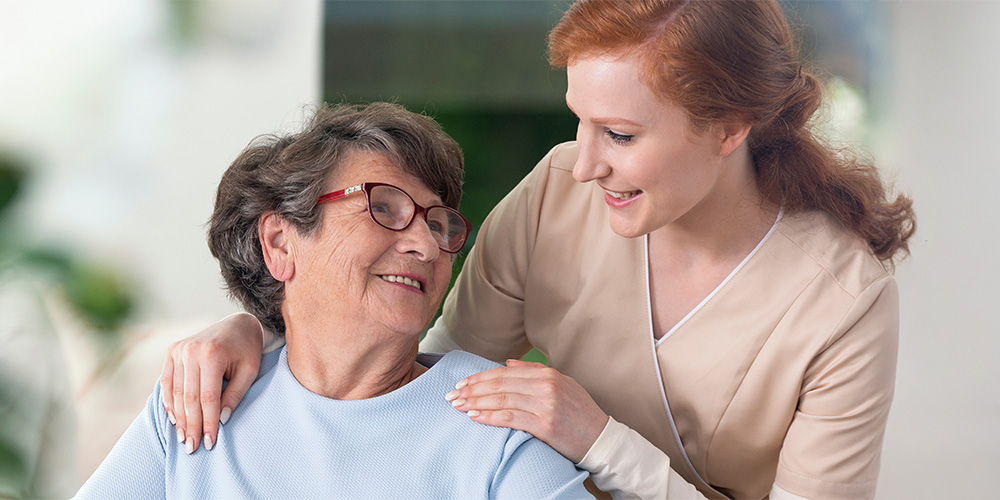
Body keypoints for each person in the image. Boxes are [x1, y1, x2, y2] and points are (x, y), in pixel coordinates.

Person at [158, 1, 916, 498]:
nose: (584, 162)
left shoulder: (841, 302)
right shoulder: (561, 191)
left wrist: (601, 441)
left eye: (619, 135)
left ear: (729, 129)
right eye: (578, 122)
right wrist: (260, 327)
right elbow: (416, 371)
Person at [75, 102, 592, 499]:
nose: (426, 244)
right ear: (280, 243)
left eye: (438, 223)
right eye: (384, 207)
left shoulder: (495, 427)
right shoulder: (196, 405)